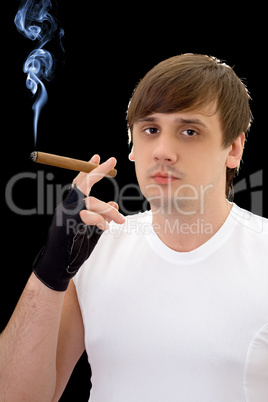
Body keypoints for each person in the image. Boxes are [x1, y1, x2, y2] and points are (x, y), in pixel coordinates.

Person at [1, 54, 267, 401]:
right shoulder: (93, 251)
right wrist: (51, 268)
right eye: (150, 129)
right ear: (132, 145)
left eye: (189, 131)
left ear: (233, 148)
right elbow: (17, 397)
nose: (163, 151)